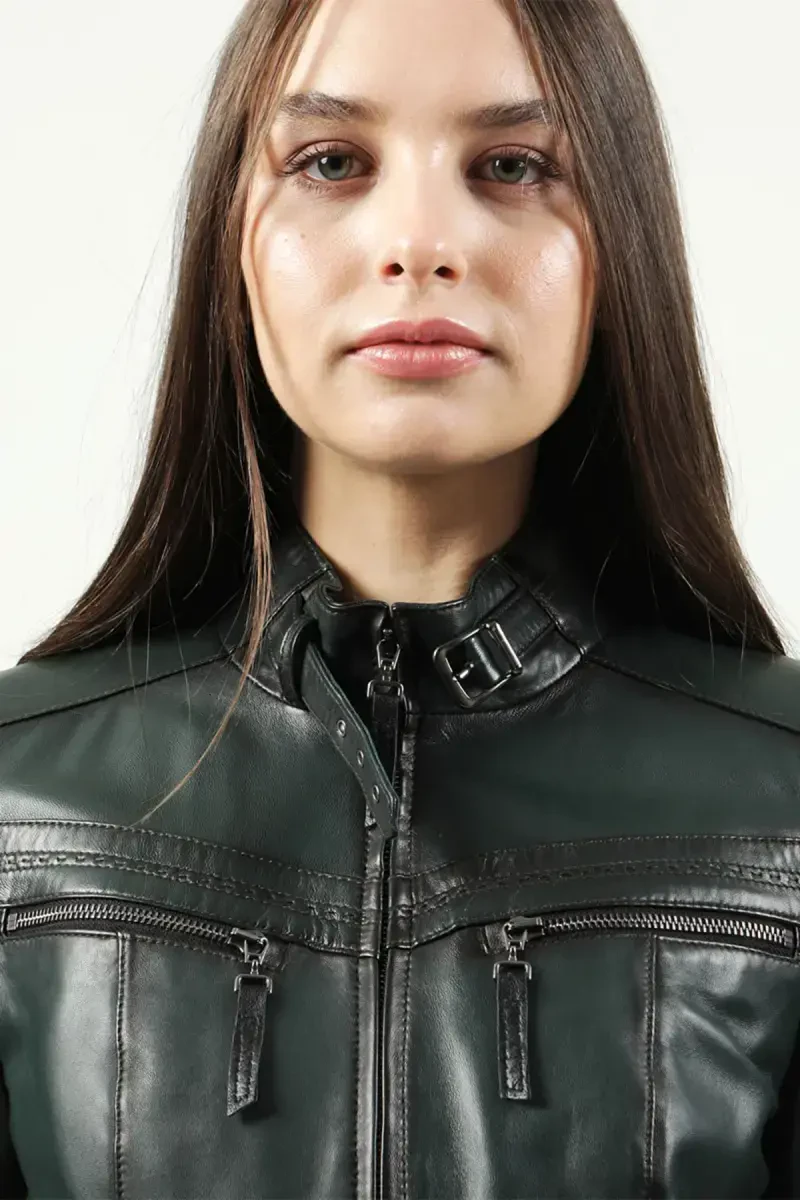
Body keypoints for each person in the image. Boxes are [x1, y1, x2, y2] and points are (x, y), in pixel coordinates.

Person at [1, 0, 798, 1195]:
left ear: (619, 236)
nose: (419, 240)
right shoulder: (21, 797)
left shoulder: (778, 791)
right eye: (331, 162)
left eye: (511, 166)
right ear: (231, 235)